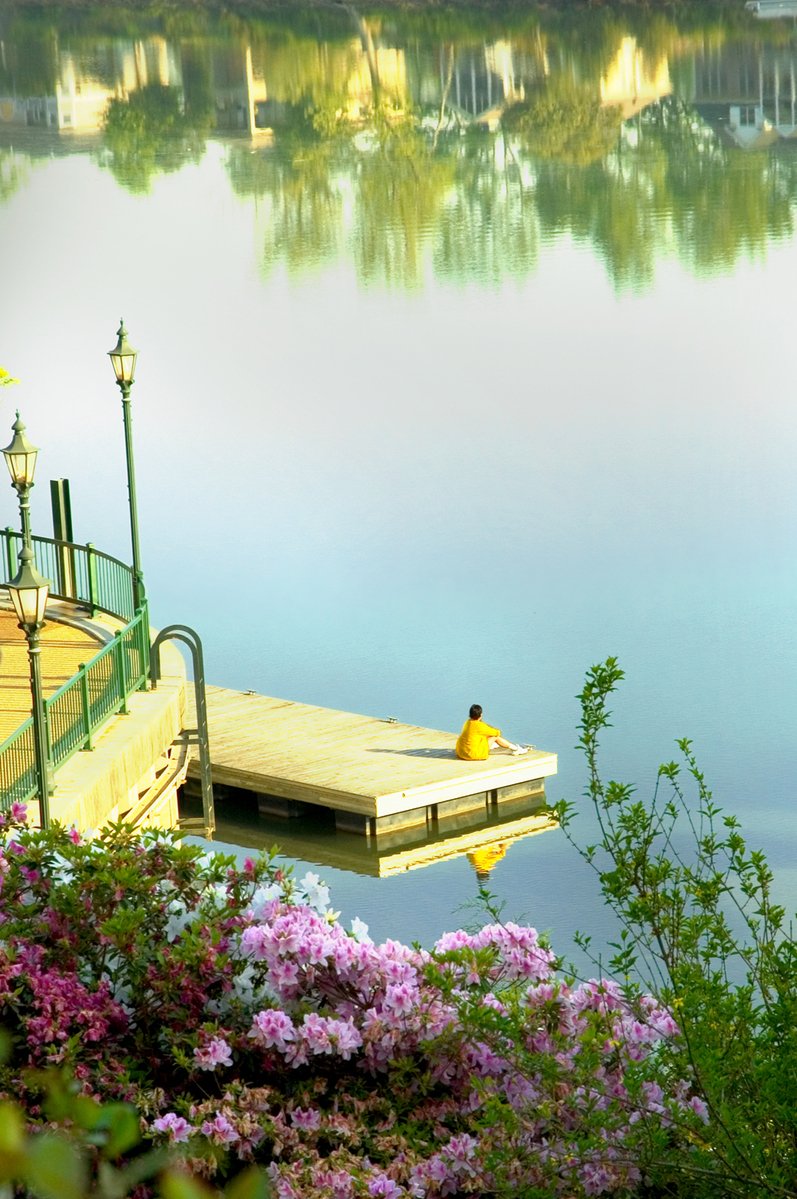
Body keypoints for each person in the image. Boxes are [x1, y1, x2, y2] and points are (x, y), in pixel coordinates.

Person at [455, 704, 530, 760]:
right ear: (481, 715)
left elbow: (478, 732)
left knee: (483, 735)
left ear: (470, 715)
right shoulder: (480, 726)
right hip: (472, 755)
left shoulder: (467, 723)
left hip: (461, 752)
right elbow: (497, 733)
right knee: (495, 737)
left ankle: (493, 745)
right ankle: (517, 749)